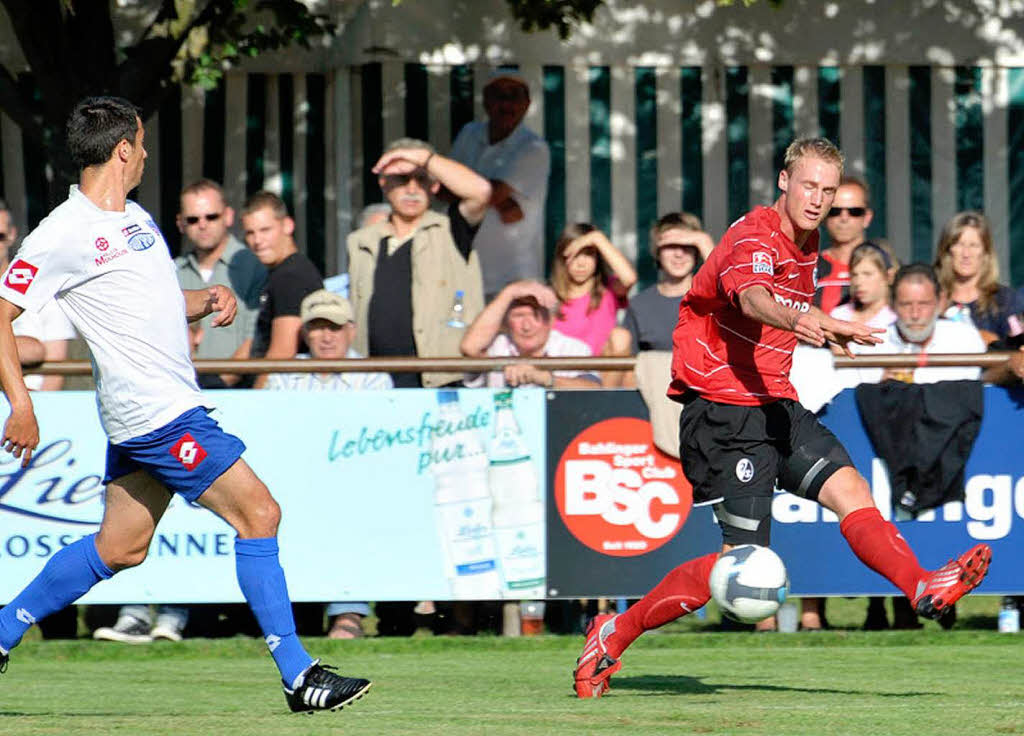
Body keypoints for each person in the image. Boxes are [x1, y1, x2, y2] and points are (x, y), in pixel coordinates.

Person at [571, 137, 992, 699]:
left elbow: (778, 304)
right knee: (735, 570)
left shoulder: (808, 240)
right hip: (723, 412)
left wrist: (823, 322)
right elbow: (753, 299)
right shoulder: (754, 236)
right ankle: (613, 632)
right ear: (784, 183)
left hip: (775, 404)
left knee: (853, 491)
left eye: (828, 189)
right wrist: (804, 321)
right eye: (809, 186)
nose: (817, 199)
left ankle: (921, 587)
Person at [0, 96, 369, 713]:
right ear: (123, 149)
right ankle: (298, 675)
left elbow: (149, 300)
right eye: (141, 143)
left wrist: (203, 300)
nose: (145, 153)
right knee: (261, 514)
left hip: (147, 415)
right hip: (159, 416)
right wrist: (22, 405)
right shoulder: (60, 234)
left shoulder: (135, 219)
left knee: (121, 548)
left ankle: (3, 629)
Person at [265, 289, 392, 639]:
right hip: (297, 479)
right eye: (318, 327)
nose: (326, 336)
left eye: (334, 327)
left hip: (355, 481)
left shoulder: (375, 377)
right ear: (305, 333)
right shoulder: (283, 376)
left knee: (353, 511)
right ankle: (297, 619)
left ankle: (348, 612)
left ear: (350, 330)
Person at [347, 138, 491, 389]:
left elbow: (481, 191)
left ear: (434, 185)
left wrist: (424, 158)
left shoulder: (450, 229)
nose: (412, 189)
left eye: (421, 179)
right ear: (383, 182)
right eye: (402, 180)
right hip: (373, 384)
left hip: (441, 383)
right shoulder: (361, 241)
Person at [449, 70, 551, 300]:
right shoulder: (469, 133)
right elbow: (443, 186)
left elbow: (490, 193)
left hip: (513, 276)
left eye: (514, 96)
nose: (506, 104)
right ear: (485, 101)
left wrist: (490, 196)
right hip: (461, 269)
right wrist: (503, 202)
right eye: (499, 95)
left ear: (527, 104)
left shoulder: (533, 147)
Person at [175, 178, 267, 389]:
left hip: (238, 393)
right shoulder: (171, 272)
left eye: (211, 216)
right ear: (180, 223)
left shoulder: (254, 265)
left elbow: (255, 339)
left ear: (228, 216)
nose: (203, 224)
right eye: (192, 219)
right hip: (180, 394)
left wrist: (219, 382)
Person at [242, 190, 323, 388]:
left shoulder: (291, 276)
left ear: (287, 225)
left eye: (265, 230)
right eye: (250, 233)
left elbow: (282, 353)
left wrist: (253, 399)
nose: (257, 241)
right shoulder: (281, 272)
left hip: (284, 391)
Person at [461, 279, 601, 388]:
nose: (527, 326)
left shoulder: (573, 349)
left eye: (535, 316)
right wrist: (509, 292)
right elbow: (469, 348)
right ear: (506, 321)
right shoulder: (496, 345)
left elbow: (594, 389)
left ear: (551, 320)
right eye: (519, 316)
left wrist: (545, 378)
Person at [0, 199, 77, 392]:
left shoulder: (42, 288)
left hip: (31, 404)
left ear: (11, 235)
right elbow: (31, 351)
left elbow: (55, 371)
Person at [933, 211, 1022, 345]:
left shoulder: (1005, 300)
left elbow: (1018, 349)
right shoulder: (932, 298)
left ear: (985, 252)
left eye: (974, 245)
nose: (966, 253)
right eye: (959, 244)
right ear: (947, 250)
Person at [550, 223, 637, 356]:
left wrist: (597, 238)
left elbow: (629, 278)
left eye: (588, 254)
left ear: (597, 258)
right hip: (563, 372)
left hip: (602, 372)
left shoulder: (608, 289)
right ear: (562, 258)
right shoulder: (549, 296)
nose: (581, 264)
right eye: (575, 255)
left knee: (620, 336)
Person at [815, 176, 874, 314]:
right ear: (824, 215)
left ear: (867, 217)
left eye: (854, 211)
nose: (844, 218)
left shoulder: (886, 267)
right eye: (835, 211)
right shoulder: (809, 268)